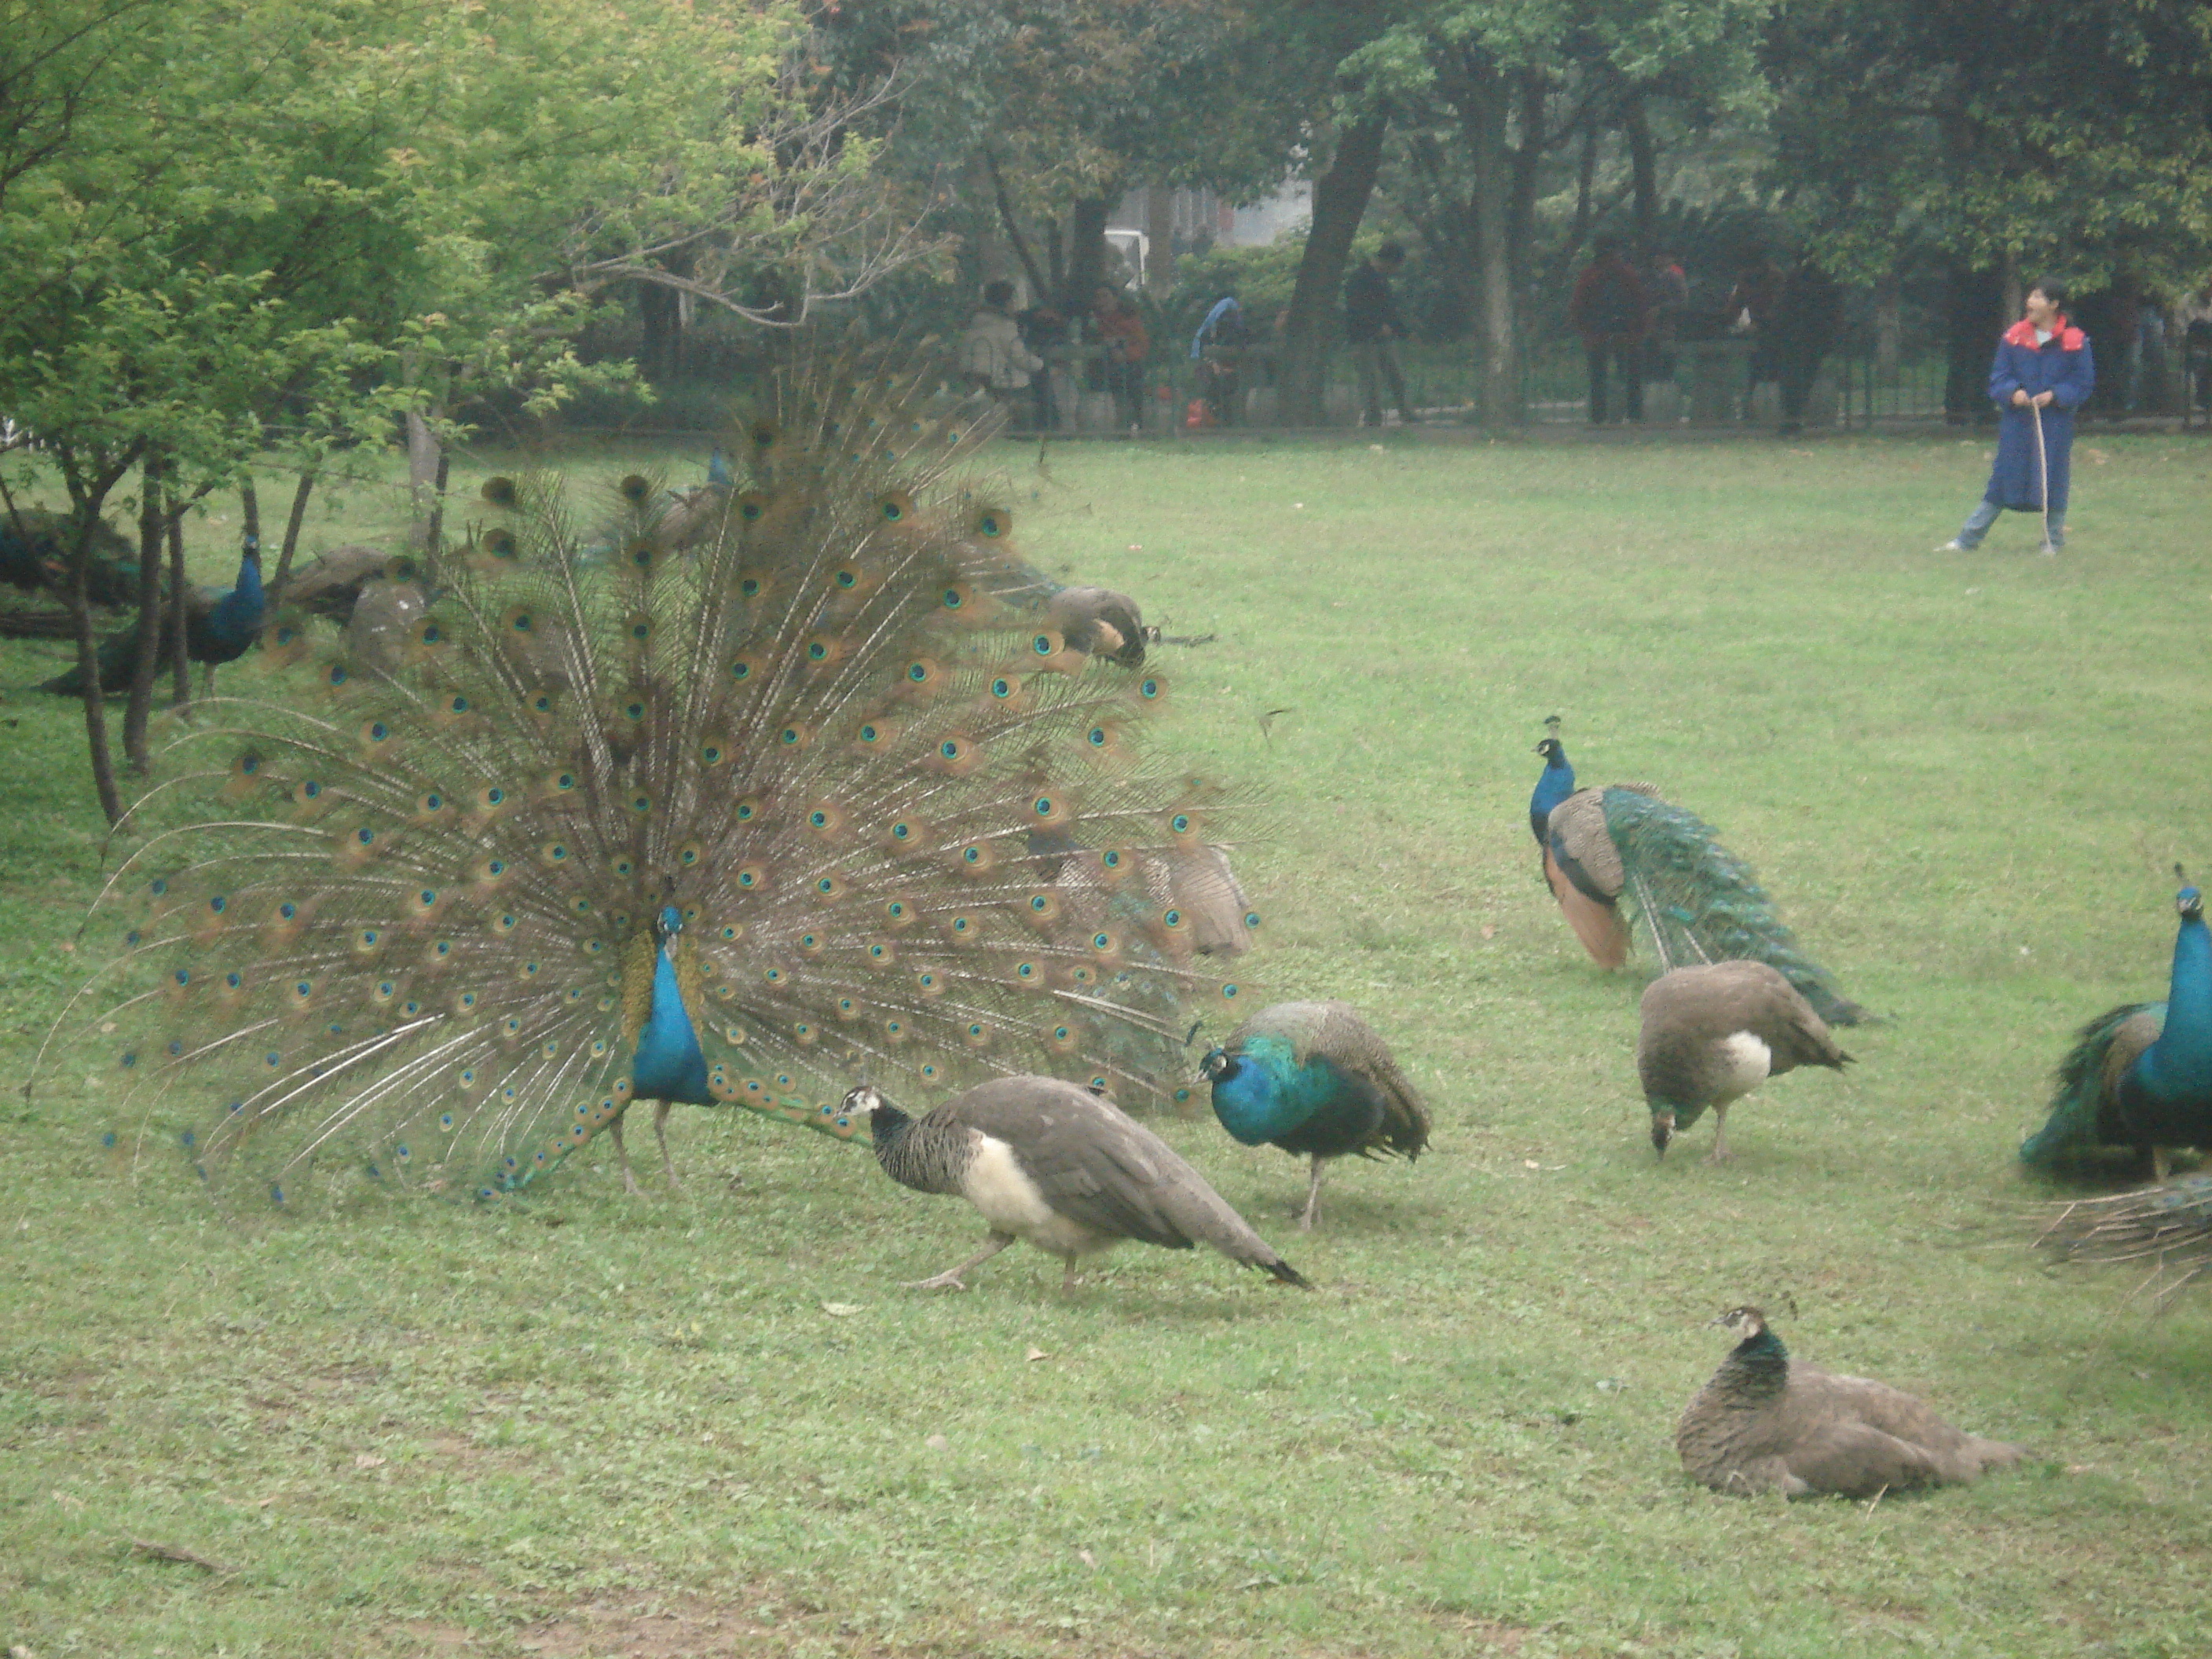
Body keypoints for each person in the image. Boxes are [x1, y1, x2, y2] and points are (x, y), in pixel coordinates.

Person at [1938, 279, 2094, 555]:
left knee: (2052, 481)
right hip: (2017, 424)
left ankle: (2052, 541)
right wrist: (2013, 393)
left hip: (2054, 424)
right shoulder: (2014, 337)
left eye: (2037, 297)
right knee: (2002, 479)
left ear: (2054, 304)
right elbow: (1998, 377)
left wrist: (2056, 395)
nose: (2029, 302)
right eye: (2030, 296)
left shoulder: (2075, 341)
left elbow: (2082, 383)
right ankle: (1967, 539)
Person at [1567, 236, 1649, 423]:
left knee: (1598, 375)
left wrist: (1583, 330)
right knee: (1631, 375)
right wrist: (1640, 330)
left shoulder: (1590, 275)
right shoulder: (1627, 273)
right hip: (1626, 331)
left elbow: (1578, 304)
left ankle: (1599, 417)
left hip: (1598, 331)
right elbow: (1640, 302)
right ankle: (1635, 415)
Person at [1344, 241, 1418, 427]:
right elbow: (1356, 310)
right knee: (1370, 381)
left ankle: (1406, 413)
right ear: (1388, 261)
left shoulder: (1382, 280)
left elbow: (1389, 310)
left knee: (1397, 377)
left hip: (1384, 339)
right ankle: (1373, 418)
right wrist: (1376, 326)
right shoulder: (1358, 279)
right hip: (1363, 339)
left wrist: (1403, 332)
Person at [1772, 256, 1841, 436]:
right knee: (1803, 375)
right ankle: (1794, 416)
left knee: (1793, 376)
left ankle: (1793, 416)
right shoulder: (1823, 279)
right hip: (1809, 334)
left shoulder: (1794, 279)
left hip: (1800, 334)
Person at [958, 280, 1045, 416]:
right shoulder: (1004, 325)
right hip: (999, 381)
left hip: (972, 376)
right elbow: (1019, 356)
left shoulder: (974, 322)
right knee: (1030, 392)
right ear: (1008, 301)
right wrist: (1041, 364)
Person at [1721, 251, 1785, 416]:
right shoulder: (1745, 278)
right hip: (1757, 328)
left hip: (1778, 328)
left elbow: (1779, 305)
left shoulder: (1776, 277)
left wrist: (1762, 323)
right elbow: (1737, 303)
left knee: (1772, 369)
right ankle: (1751, 409)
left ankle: (1774, 409)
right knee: (1754, 367)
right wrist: (1724, 320)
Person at [1092, 283, 1149, 432]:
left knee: (1134, 397)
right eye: (1098, 297)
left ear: (1116, 298)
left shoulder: (1130, 318)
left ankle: (1139, 428)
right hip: (1103, 370)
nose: (1102, 301)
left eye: (1105, 296)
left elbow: (1141, 343)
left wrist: (1125, 354)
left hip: (1130, 365)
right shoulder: (1093, 321)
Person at [1190, 291, 1247, 426]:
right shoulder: (1228, 314)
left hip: (1220, 366)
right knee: (1219, 391)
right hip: (1217, 366)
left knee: (1219, 391)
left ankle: (1220, 418)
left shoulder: (1220, 316)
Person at [1643, 247, 1689, 381]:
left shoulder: (1676, 278)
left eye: (1665, 256)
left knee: (1667, 367)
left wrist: (1662, 309)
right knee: (1648, 369)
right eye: (1658, 256)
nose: (1661, 259)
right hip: (1647, 330)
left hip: (1669, 330)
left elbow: (1683, 302)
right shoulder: (1645, 277)